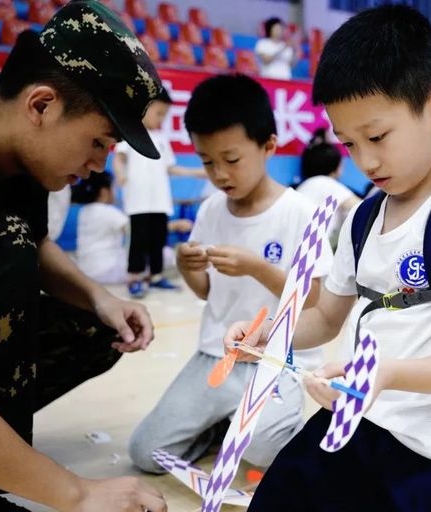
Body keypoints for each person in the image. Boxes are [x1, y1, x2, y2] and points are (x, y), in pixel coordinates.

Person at [224, 6, 431, 512]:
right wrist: (269, 335)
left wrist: (383, 374)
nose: (364, 161)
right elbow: (326, 318)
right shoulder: (364, 217)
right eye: (348, 144)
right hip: (352, 420)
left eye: (378, 137)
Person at [0, 2, 167, 512]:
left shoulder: (18, 151)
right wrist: (75, 494)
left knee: (96, 328)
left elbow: (34, 242)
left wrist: (101, 298)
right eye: (98, 141)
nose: (99, 165)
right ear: (41, 105)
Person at [128, 74, 332, 474]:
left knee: (267, 452)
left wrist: (257, 268)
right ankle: (220, 425)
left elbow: (312, 300)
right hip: (215, 355)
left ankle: (251, 423)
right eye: (207, 162)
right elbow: (207, 291)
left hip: (276, 359)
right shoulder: (211, 210)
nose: (219, 174)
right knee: (146, 453)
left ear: (268, 146)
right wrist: (188, 268)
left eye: (231, 160)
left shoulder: (299, 213)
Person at [113, 88, 206, 298]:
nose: (161, 119)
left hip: (160, 201)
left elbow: (170, 167)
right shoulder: (130, 134)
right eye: (159, 113)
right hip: (138, 201)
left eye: (165, 115)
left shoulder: (161, 139)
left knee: (158, 239)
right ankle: (134, 277)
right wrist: (120, 176)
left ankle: (156, 276)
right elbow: (119, 158)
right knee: (138, 240)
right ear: (144, 108)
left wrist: (197, 172)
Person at [296, 128, 361, 247]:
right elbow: (361, 209)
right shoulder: (326, 184)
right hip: (313, 251)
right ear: (336, 166)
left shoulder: (304, 186)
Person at [72, 171, 130, 285]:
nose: (116, 192)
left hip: (87, 272)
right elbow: (136, 231)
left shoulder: (84, 211)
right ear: (104, 192)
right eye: (114, 188)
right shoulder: (108, 211)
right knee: (163, 254)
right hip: (107, 271)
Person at [254, 17, 300, 81]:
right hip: (268, 79)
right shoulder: (263, 43)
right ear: (270, 29)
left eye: (281, 29)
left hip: (285, 80)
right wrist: (283, 48)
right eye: (277, 29)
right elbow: (266, 60)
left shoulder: (287, 46)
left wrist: (294, 50)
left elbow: (292, 65)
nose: (279, 31)